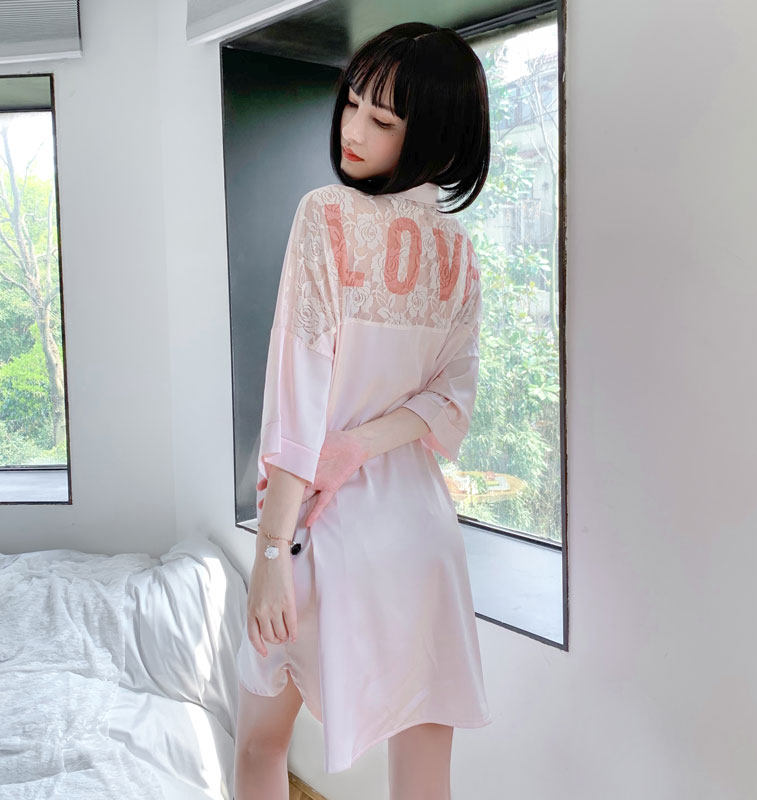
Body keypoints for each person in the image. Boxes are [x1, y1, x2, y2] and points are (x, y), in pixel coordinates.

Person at [234, 21, 492, 800]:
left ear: (433, 138)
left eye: (382, 120)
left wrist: (270, 555)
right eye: (351, 104)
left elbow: (297, 401)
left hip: (327, 535)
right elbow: (451, 395)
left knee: (258, 747)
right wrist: (365, 442)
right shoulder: (459, 253)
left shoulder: (326, 215)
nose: (353, 130)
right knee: (425, 774)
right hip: (423, 539)